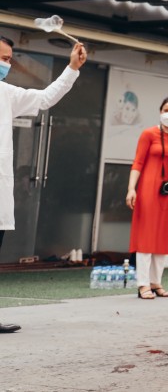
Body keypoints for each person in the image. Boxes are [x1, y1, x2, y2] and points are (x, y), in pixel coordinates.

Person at [0, 37, 86, 332]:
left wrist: (72, 68)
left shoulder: (7, 94)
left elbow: (46, 97)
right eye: (1, 57)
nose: (4, 64)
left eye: (9, 59)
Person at [126, 97, 168, 299]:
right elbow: (137, 163)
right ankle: (143, 284)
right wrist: (131, 189)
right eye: (165, 109)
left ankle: (156, 282)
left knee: (163, 234)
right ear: (160, 112)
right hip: (147, 189)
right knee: (146, 235)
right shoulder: (148, 134)